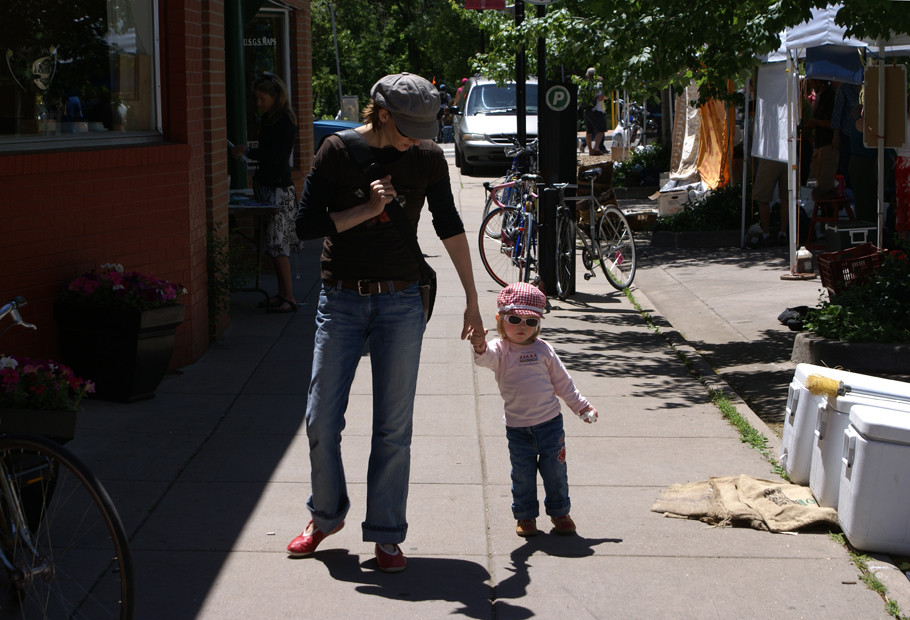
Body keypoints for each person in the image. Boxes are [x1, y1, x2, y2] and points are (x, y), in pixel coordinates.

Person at [287, 72, 484, 572]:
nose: (415, 138)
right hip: (342, 300)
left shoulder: (426, 158)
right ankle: (326, 515)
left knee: (393, 428)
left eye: (423, 128)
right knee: (320, 419)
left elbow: (449, 224)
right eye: (409, 127)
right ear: (383, 112)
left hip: (400, 302)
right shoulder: (336, 151)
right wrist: (369, 208)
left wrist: (472, 298)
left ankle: (386, 532)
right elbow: (306, 225)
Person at [468, 282, 598, 538]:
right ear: (500, 319)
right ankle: (526, 516)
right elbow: (484, 358)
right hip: (517, 428)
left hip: (550, 424)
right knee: (523, 475)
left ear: (538, 325)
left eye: (530, 322)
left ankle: (559, 512)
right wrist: (479, 344)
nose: (521, 327)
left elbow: (563, 383)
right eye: (514, 319)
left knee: (556, 472)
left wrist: (581, 406)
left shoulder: (543, 349)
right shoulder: (500, 349)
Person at [232, 73, 299, 312]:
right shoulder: (269, 119)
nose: (258, 103)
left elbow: (276, 156)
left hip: (279, 190)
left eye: (262, 98)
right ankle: (281, 293)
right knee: (271, 245)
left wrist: (249, 154)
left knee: (278, 246)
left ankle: (289, 297)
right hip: (266, 186)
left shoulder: (285, 123)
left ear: (275, 96)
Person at [751, 157, 789, 247]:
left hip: (770, 154)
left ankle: (767, 234)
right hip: (787, 153)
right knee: (787, 197)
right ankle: (782, 233)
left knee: (764, 197)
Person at [578, 68, 607, 156]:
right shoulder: (597, 85)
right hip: (596, 109)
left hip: (586, 110)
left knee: (589, 131)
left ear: (587, 74)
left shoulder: (582, 85)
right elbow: (600, 98)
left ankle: (590, 150)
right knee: (601, 130)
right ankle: (596, 147)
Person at [894, 94, 910, 242]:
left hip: (901, 163)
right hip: (905, 162)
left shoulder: (899, 122)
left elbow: (894, 145)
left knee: (902, 203)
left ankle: (903, 242)